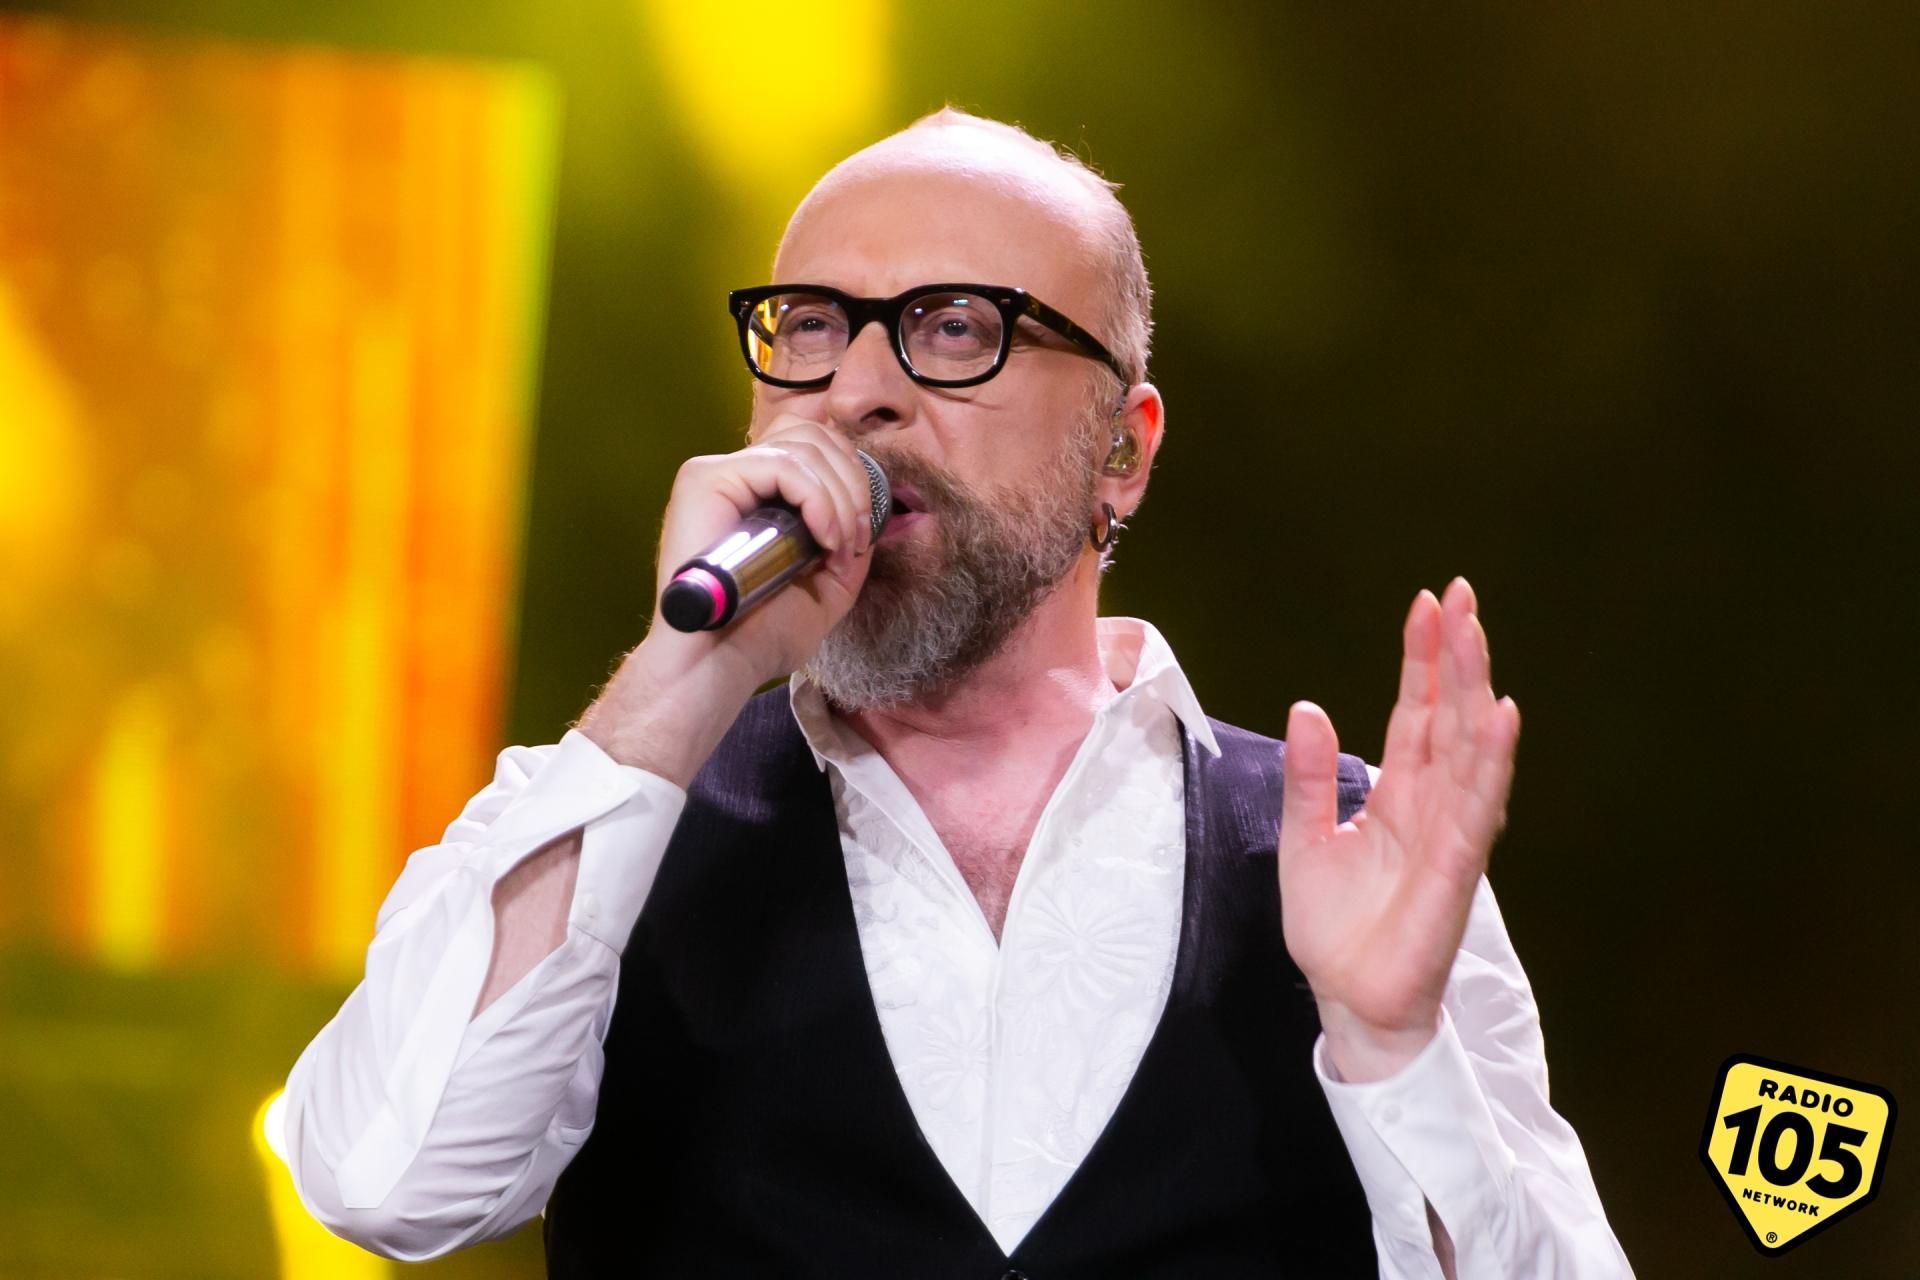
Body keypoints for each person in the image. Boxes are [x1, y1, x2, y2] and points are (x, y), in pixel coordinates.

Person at [280, 109, 1634, 1278]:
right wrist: (681, 686)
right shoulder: (612, 819)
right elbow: (385, 1188)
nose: (857, 390)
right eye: (811, 328)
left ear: (1122, 451)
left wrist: (1395, 1051)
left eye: (953, 327)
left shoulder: (1345, 847)